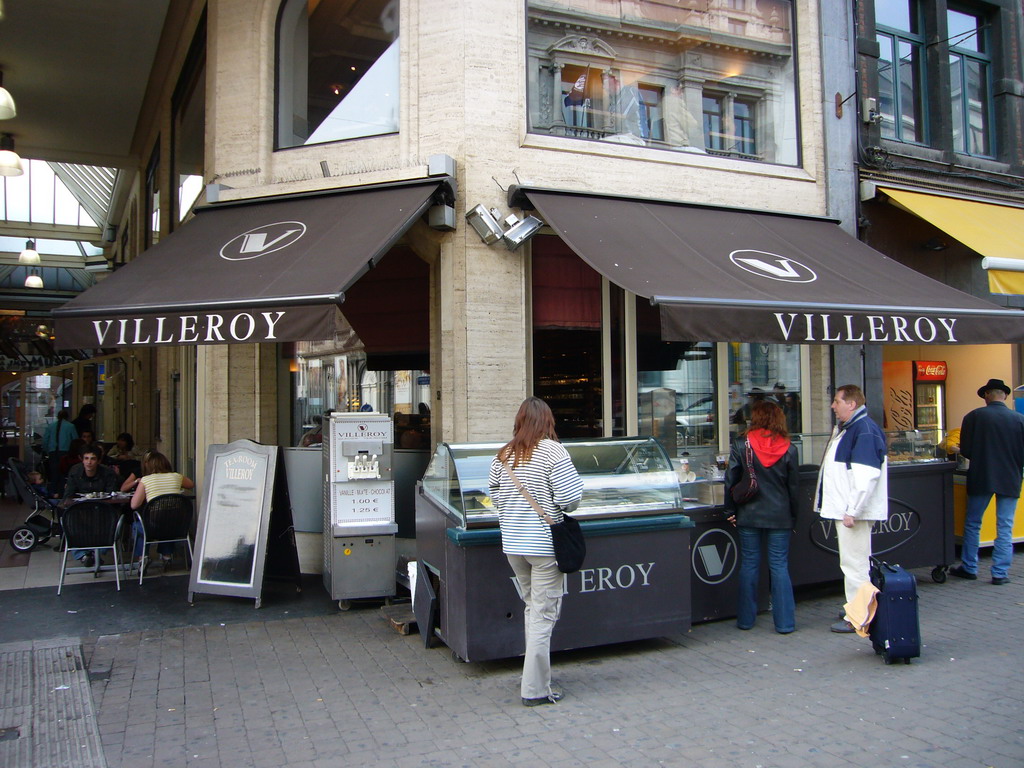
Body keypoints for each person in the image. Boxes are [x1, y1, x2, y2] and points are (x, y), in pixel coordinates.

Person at [488, 397, 583, 707]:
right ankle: (535, 689)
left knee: (533, 608)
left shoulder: (503, 455)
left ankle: (534, 674)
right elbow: (570, 499)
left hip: (514, 545)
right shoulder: (554, 451)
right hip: (544, 546)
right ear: (547, 421)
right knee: (543, 615)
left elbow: (495, 499)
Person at [814, 385, 888, 634]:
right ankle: (856, 606)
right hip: (848, 509)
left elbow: (866, 476)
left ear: (851, 404)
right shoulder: (852, 429)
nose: (833, 406)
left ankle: (859, 616)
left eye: (837, 401)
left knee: (854, 564)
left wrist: (852, 510)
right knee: (853, 562)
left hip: (852, 511)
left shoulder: (862, 430)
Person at [724, 400, 799, 634]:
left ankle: (746, 620)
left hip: (749, 512)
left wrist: (730, 511)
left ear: (755, 418)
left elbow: (731, 479)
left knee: (749, 565)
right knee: (779, 566)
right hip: (779, 514)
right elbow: (793, 488)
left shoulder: (741, 444)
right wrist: (793, 517)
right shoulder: (790, 448)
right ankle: (785, 623)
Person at [949, 378, 1024, 585]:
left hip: (982, 476)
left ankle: (969, 566)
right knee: (1005, 525)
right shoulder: (1019, 420)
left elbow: (966, 450)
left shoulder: (973, 417)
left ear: (986, 395)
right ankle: (1000, 572)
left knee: (973, 523)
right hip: (1010, 478)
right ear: (1005, 395)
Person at [130, 450, 195, 569]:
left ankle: (142, 558)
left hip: (153, 526)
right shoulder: (177, 476)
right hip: (177, 525)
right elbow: (191, 484)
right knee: (168, 519)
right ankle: (167, 556)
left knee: (138, 526)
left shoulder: (145, 480)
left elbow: (134, 504)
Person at [63, 444, 120, 567]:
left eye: (93, 459)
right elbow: (68, 495)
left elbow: (112, 494)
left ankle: (96, 553)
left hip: (102, 510)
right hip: (80, 511)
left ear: (98, 461)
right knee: (68, 521)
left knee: (111, 522)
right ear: (82, 459)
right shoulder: (75, 471)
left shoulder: (107, 473)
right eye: (86, 458)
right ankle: (83, 554)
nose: (89, 462)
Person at [42, 409, 78, 496]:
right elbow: (76, 441)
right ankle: (63, 491)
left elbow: (45, 440)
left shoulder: (50, 426)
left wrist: (47, 451)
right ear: (67, 417)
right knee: (64, 472)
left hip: (53, 452)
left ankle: (54, 492)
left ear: (57, 416)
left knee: (54, 472)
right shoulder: (70, 426)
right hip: (65, 452)